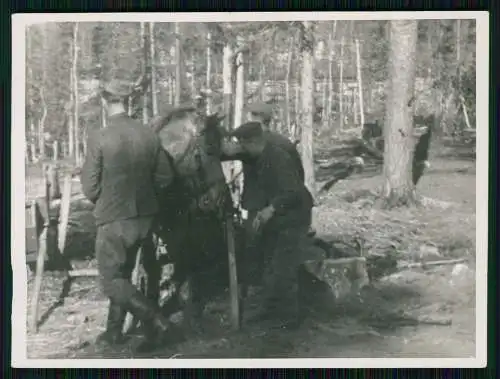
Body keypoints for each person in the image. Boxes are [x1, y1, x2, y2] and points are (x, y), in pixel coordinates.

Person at [81, 78, 180, 353]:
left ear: (104, 101)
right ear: (130, 101)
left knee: (112, 281)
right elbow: (165, 177)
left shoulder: (99, 136)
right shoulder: (148, 134)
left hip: (114, 219)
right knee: (122, 275)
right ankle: (114, 332)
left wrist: (106, 201)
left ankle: (159, 322)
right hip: (145, 219)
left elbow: (89, 186)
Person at [222, 121, 322, 329]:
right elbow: (226, 152)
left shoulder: (278, 158)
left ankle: (288, 318)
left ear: (250, 142)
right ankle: (269, 308)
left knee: (283, 266)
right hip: (276, 216)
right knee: (267, 262)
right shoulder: (253, 154)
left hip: (293, 217)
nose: (237, 148)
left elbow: (292, 192)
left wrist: (271, 209)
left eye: (240, 144)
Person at [246, 101, 304, 182]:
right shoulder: (285, 143)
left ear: (253, 119)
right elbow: (299, 175)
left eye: (249, 117)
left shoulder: (250, 145)